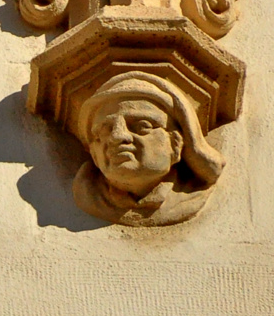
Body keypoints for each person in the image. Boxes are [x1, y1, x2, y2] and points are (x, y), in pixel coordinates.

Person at [73, 71, 224, 226]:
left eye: (141, 125)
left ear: (176, 143)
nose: (117, 136)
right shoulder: (88, 194)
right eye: (105, 130)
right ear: (94, 154)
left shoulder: (191, 196)